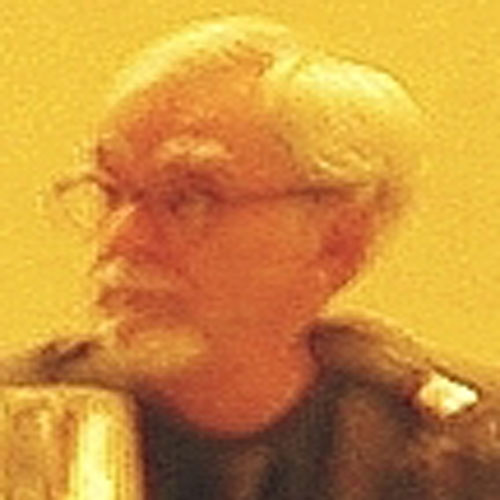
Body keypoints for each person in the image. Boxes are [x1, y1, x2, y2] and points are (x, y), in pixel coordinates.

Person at [3, 15, 500, 499]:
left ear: (338, 242)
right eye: (110, 193)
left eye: (188, 200)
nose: (121, 239)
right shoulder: (21, 423)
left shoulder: (456, 444)